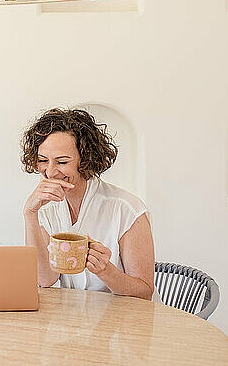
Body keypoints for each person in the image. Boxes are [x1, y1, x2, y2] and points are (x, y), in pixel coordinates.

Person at [21, 108, 157, 301]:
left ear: (85, 159)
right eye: (43, 160)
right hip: (76, 321)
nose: (50, 172)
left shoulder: (127, 209)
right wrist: (30, 213)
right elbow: (45, 279)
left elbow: (145, 292)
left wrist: (106, 271)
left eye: (62, 162)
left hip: (126, 322)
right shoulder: (47, 209)